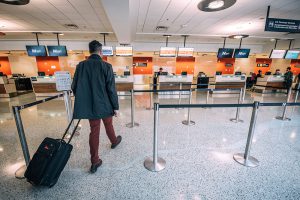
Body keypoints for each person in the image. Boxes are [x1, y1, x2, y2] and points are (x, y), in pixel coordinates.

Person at [72, 40, 122, 174]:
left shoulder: (80, 66)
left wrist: (85, 100)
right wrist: (115, 107)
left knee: (94, 130)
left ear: (90, 51)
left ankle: (95, 161)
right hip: (105, 105)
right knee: (108, 124)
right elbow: (111, 89)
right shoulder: (106, 66)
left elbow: (74, 87)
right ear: (101, 52)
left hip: (91, 106)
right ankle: (114, 141)